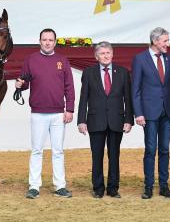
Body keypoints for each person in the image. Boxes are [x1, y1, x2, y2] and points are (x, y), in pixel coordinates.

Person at [16, 28, 75, 199]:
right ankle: (34, 186)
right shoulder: (30, 59)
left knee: (58, 151)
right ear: (39, 41)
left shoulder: (62, 60)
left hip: (58, 113)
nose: (47, 42)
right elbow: (25, 81)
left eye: (50, 40)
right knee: (36, 150)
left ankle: (60, 186)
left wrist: (69, 109)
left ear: (55, 42)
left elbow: (69, 87)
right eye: (44, 39)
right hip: (38, 113)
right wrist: (20, 85)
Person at [77, 41, 134, 198]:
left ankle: (113, 188)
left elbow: (128, 99)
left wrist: (129, 120)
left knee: (114, 156)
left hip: (117, 121)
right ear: (96, 56)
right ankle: (98, 188)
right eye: (102, 53)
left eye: (108, 52)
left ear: (112, 54)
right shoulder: (88, 73)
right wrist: (81, 120)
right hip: (95, 121)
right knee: (97, 156)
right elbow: (84, 98)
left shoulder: (122, 72)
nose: (105, 56)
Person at [132, 27, 170, 199]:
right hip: (149, 113)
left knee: (165, 149)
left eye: (167, 40)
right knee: (151, 149)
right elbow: (135, 88)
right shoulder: (140, 59)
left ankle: (164, 186)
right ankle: (148, 186)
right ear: (155, 41)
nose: (168, 44)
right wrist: (138, 113)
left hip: (167, 112)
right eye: (165, 41)